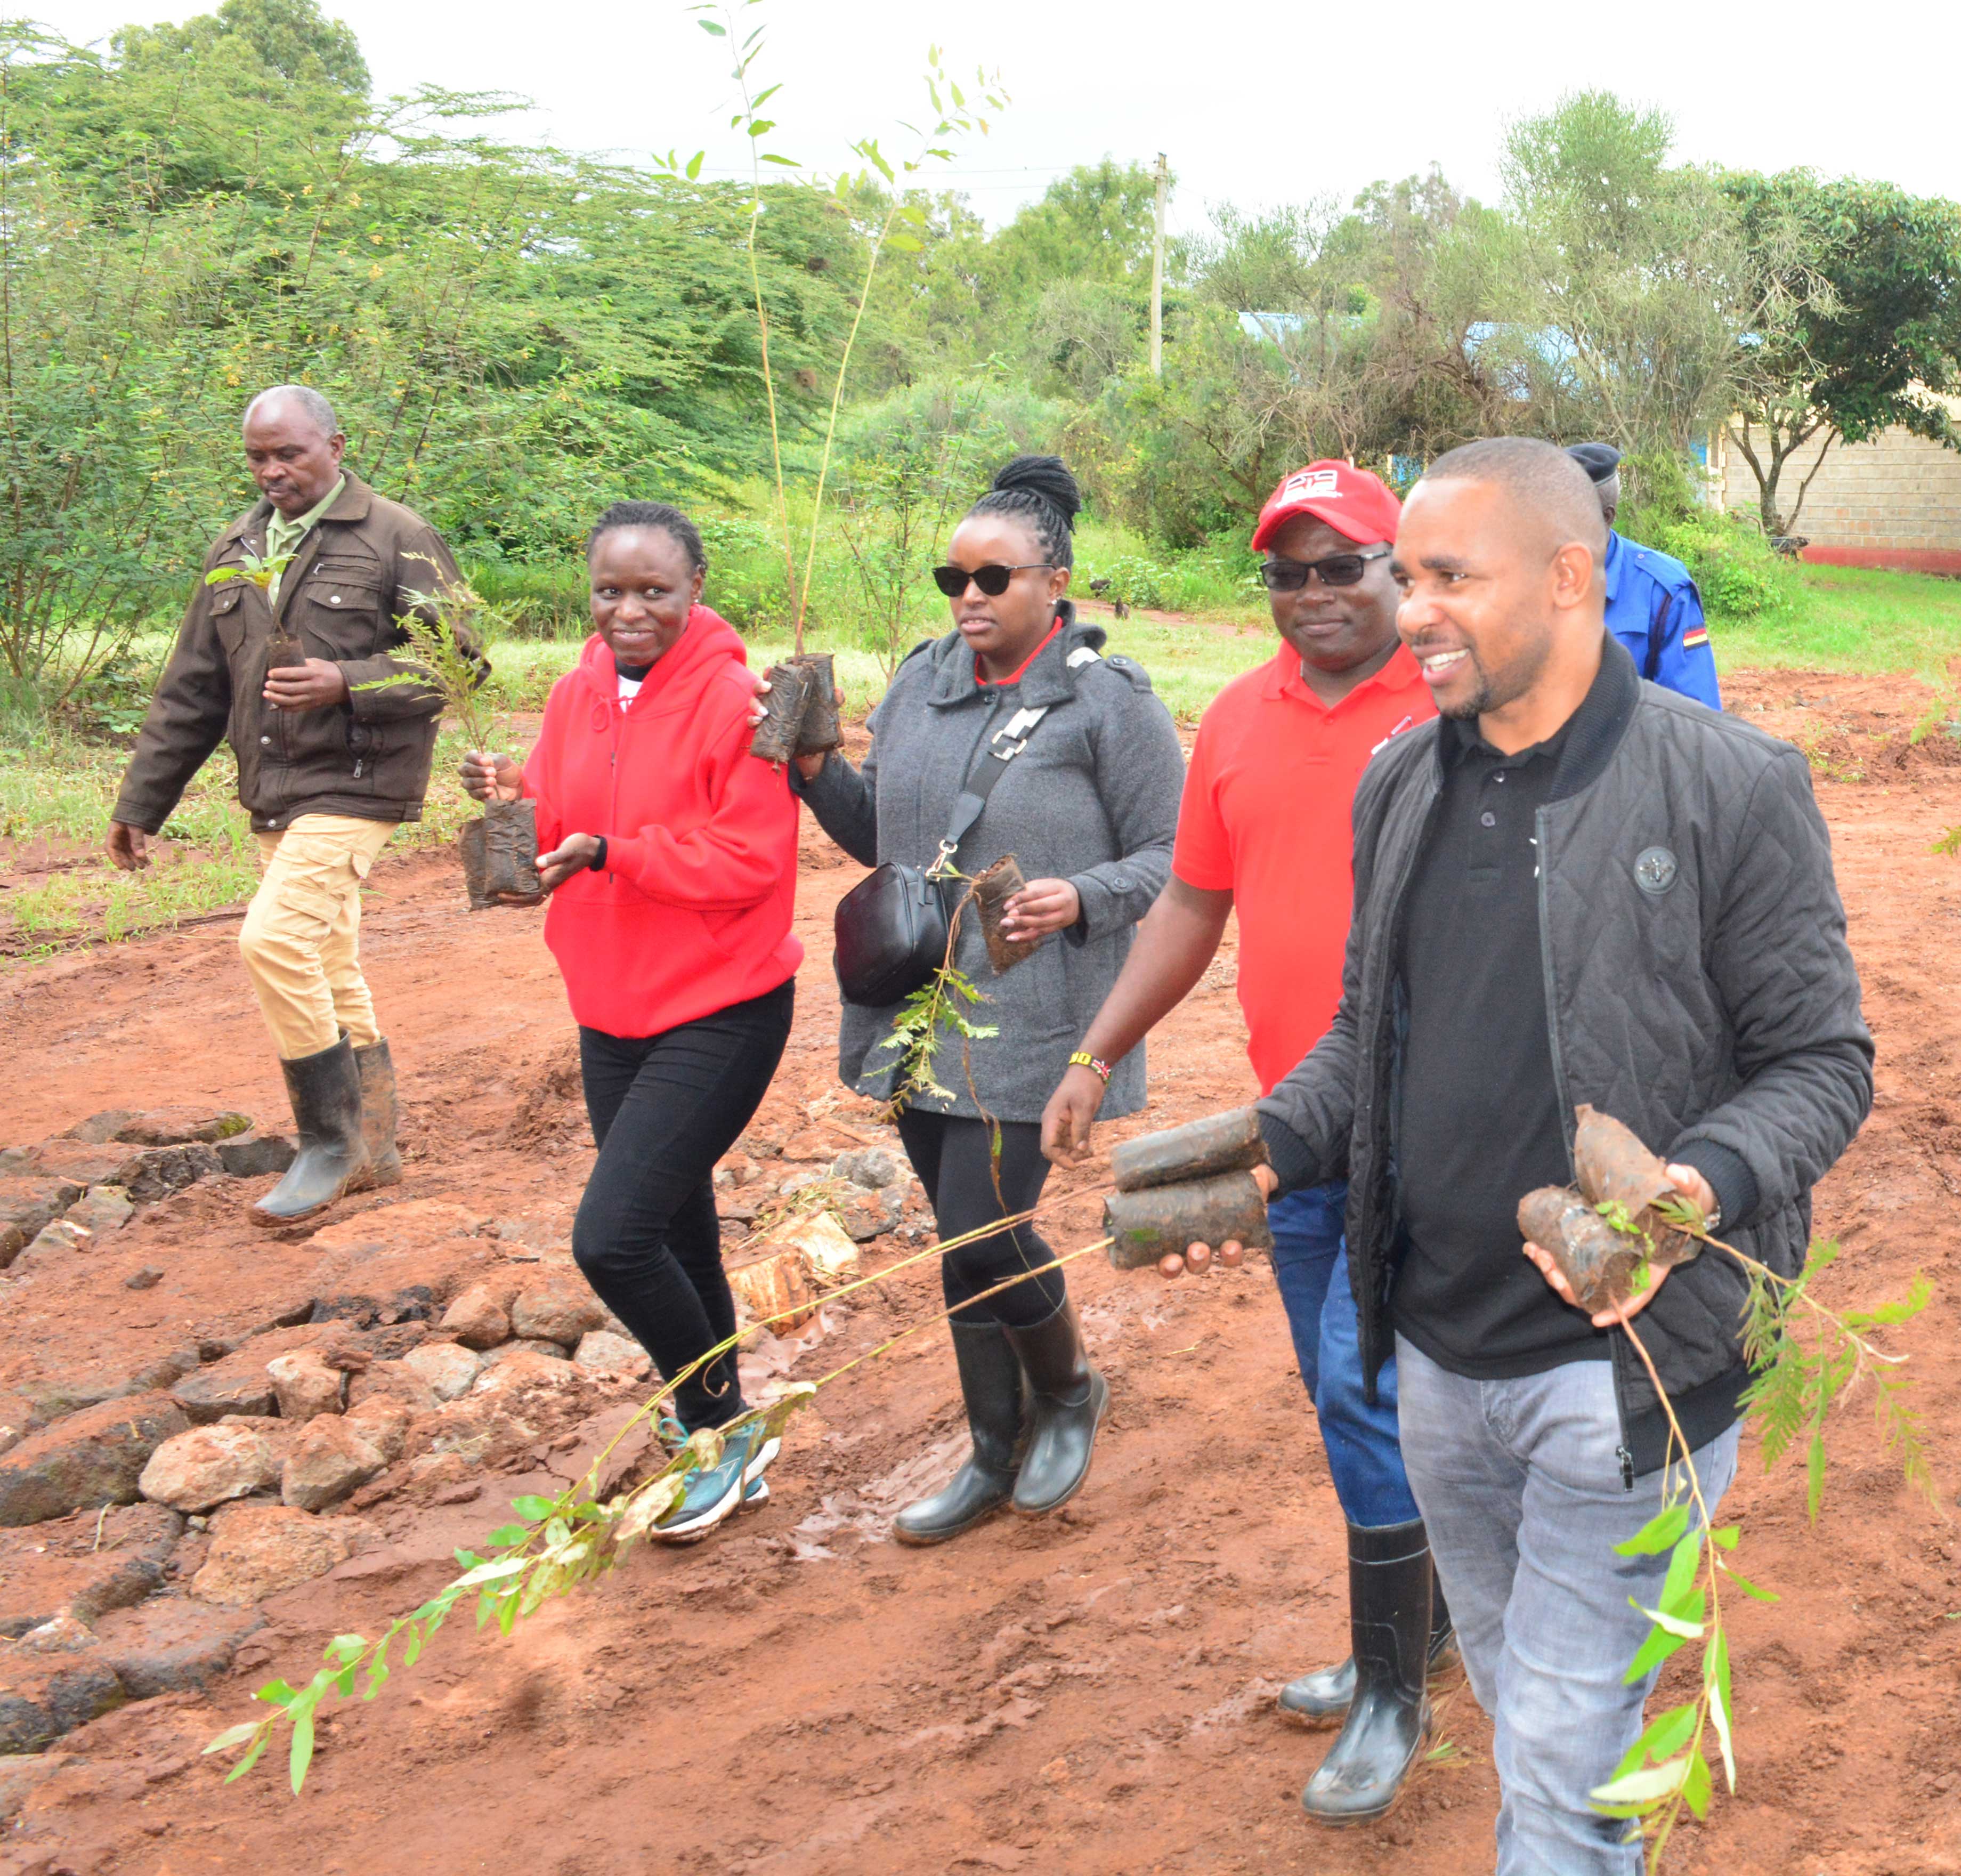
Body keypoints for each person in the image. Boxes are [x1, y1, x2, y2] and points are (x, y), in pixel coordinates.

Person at [1252, 436, 1873, 1870]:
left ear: (1572, 578)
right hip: (1440, 1359)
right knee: (1533, 1706)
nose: (1411, 614)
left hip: (1630, 1376)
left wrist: (1693, 1186)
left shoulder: (1728, 787)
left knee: (1563, 1753)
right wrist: (1278, 1142)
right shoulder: (1401, 782)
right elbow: (1371, 1035)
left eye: (1449, 579)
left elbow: (1823, 1064)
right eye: (1406, 578)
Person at [1041, 460, 1440, 1825]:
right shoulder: (1233, 719)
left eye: (1346, 565)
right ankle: (1414, 1628)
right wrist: (1097, 1051)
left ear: (1406, 571)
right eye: (1290, 569)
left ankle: (1396, 1688)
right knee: (1346, 1384)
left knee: (1359, 1382)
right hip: (1292, 1123)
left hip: (1436, 1123)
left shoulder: (1459, 706)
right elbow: (1191, 906)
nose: (1317, 593)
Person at [787, 458, 1182, 1543]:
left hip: (1037, 1007)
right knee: (960, 1243)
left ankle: (1067, 1391)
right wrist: (818, 768)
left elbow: (1174, 855)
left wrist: (1084, 895)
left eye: (994, 576)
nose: (969, 596)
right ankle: (990, 1447)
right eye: (952, 576)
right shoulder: (919, 684)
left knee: (984, 1226)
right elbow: (887, 840)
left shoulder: (1108, 702)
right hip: (918, 1006)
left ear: (1054, 580)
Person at [460, 504, 798, 1541]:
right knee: (674, 1223)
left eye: (655, 589)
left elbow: (749, 860)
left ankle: (721, 1429)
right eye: (611, 589)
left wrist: (612, 852)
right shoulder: (574, 693)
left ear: (695, 584)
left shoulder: (739, 698)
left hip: (722, 1004)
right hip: (609, 1008)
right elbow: (563, 822)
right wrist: (511, 795)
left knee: (611, 1238)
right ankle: (726, 1427)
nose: (630, 609)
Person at [108, 386, 473, 1224]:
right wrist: (142, 802)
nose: (272, 471)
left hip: (358, 783)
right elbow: (193, 687)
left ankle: (328, 1145)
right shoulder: (238, 544)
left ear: (336, 445)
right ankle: (375, 1146)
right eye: (258, 458)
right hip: (275, 788)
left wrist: (347, 681)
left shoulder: (397, 535)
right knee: (327, 960)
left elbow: (461, 663)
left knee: (272, 943)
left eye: (290, 454)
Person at [1562, 442, 1719, 706]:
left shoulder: (1662, 590)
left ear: (1606, 518)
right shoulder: (1527, 579)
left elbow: (1694, 713)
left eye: (1566, 519)